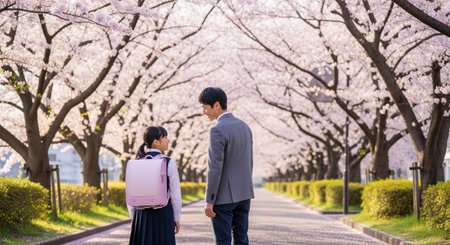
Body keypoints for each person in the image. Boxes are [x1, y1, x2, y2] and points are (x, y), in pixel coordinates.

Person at [198, 87, 254, 245]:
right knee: (242, 238)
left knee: (223, 240)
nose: (204, 112)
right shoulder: (245, 127)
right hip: (244, 194)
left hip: (223, 197)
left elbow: (214, 168)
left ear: (216, 105)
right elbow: (249, 161)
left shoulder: (217, 130)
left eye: (205, 107)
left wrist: (210, 200)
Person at [128, 126, 182, 245]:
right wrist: (176, 218)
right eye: (165, 137)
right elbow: (175, 195)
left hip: (141, 215)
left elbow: (131, 192)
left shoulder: (136, 162)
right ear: (156, 142)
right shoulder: (168, 162)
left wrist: (133, 217)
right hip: (163, 214)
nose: (168, 140)